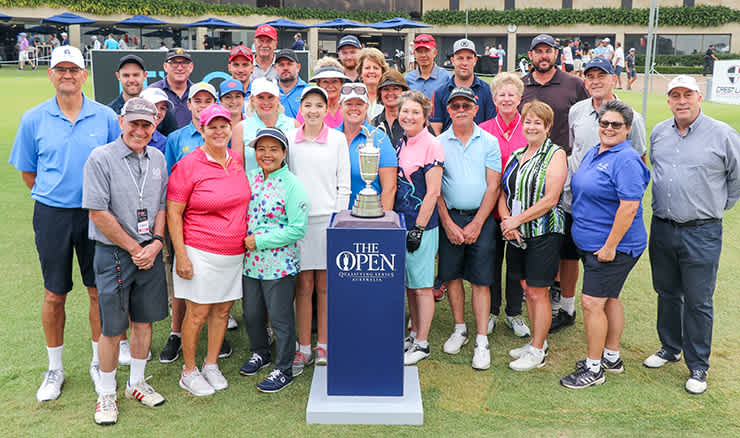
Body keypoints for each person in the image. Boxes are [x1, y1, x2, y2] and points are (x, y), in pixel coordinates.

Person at [9, 45, 120, 402]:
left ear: (84, 74)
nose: (68, 75)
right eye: (61, 69)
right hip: (52, 214)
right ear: (51, 74)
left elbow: (113, 169)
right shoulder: (33, 119)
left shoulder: (104, 117)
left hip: (96, 214)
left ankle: (95, 360)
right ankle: (54, 368)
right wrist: (55, 195)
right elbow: (30, 174)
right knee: (54, 294)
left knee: (96, 292)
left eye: (74, 69)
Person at [644, 75, 740, 395]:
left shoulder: (723, 134)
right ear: (669, 100)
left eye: (688, 94)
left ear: (699, 97)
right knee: (667, 291)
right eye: (675, 95)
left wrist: (713, 208)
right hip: (662, 226)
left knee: (698, 300)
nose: (681, 101)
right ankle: (670, 347)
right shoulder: (659, 133)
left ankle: (698, 365)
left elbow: (735, 179)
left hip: (702, 231)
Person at [82, 98, 168, 424]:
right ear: (121, 122)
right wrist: (135, 247)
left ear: (154, 126)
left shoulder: (157, 157)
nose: (140, 130)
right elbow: (98, 212)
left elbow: (161, 205)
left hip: (149, 252)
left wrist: (157, 243)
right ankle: (106, 393)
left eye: (147, 125)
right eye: (134, 123)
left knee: (144, 321)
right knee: (112, 328)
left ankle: (137, 382)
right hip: (116, 252)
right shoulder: (100, 158)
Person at [559, 100, 650, 389]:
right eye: (604, 123)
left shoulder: (627, 159)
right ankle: (611, 357)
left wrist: (611, 245)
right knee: (610, 298)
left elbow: (629, 206)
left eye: (616, 125)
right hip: (592, 242)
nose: (609, 128)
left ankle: (594, 368)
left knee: (591, 303)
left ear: (627, 129)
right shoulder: (596, 151)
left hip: (612, 247)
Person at [554, 57, 648, 334]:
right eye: (590, 76)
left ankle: (606, 343)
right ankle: (567, 308)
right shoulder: (577, 111)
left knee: (603, 274)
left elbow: (639, 159)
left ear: (613, 79)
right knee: (569, 256)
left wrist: (627, 202)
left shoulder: (632, 118)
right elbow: (576, 150)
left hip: (608, 208)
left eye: (601, 76)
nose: (595, 81)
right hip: (575, 199)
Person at [167, 104, 251, 396]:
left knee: (223, 310)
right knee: (198, 312)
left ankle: (211, 364)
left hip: (233, 253)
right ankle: (189, 371)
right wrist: (181, 254)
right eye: (211, 127)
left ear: (231, 128)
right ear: (201, 130)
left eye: (223, 126)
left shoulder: (237, 159)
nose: (218, 131)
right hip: (199, 250)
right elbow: (174, 212)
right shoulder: (188, 164)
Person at [287, 87, 351, 376]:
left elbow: (344, 184)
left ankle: (323, 344)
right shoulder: (289, 139)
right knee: (303, 287)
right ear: (301, 108)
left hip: (329, 222)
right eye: (308, 105)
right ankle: (303, 348)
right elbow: (286, 181)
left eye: (319, 105)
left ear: (327, 109)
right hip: (298, 224)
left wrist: (337, 219)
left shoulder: (337, 140)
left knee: (325, 287)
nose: (313, 110)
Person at [238, 127, 308, 392]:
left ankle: (284, 368)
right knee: (252, 313)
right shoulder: (251, 177)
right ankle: (261, 352)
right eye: (261, 149)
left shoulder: (292, 185)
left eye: (273, 149)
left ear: (284, 153)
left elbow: (297, 228)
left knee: (280, 318)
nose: (266, 154)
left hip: (279, 265)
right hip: (251, 263)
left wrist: (261, 241)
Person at [499, 100, 567, 372]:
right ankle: (534, 342)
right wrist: (508, 221)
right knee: (527, 289)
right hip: (517, 234)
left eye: (538, 122)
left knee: (538, 292)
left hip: (544, 233)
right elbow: (504, 192)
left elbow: (551, 199)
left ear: (548, 127)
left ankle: (538, 349)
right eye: (527, 121)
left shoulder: (555, 154)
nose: (531, 126)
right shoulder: (517, 154)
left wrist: (517, 219)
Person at [436, 86, 501, 370]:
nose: (460, 110)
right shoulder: (438, 142)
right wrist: (448, 223)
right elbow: (435, 189)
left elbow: (493, 186)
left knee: (481, 280)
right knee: (451, 277)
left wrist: (477, 223)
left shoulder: (489, 141)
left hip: (481, 219)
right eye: (455, 106)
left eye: (466, 105)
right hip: (450, 218)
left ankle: (481, 339)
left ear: (476, 108)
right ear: (448, 110)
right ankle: (460, 328)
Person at [394, 90, 444, 366]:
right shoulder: (402, 142)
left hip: (421, 226)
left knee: (423, 286)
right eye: (405, 111)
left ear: (425, 116)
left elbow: (433, 191)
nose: (409, 116)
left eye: (415, 112)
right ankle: (413, 333)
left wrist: (419, 228)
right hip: (402, 223)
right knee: (410, 285)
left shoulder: (431, 144)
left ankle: (423, 343)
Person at [479, 73, 530, 338]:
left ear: (520, 98)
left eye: (512, 94)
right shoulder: (485, 129)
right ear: (494, 98)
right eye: (502, 94)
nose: (507, 99)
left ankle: (513, 312)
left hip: (521, 211)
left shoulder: (530, 128)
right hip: (490, 209)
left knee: (516, 263)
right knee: (491, 261)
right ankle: (491, 311)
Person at [337, 82, 398, 211]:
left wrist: (381, 223)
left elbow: (389, 188)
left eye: (359, 104)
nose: (354, 108)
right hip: (334, 217)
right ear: (340, 107)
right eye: (348, 104)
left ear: (366, 107)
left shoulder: (380, 138)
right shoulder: (331, 137)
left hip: (369, 216)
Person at [430, 38, 495, 135]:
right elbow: (436, 130)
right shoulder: (440, 92)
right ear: (453, 60)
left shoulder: (487, 90)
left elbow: (491, 126)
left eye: (469, 58)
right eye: (460, 58)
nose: (464, 63)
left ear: (475, 60)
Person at [233, 78, 296, 172]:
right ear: (252, 100)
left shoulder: (294, 125)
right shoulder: (240, 128)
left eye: (270, 97)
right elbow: (237, 170)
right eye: (260, 97)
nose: (266, 102)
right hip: (252, 186)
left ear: (278, 98)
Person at [296, 58, 349, 128]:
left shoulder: (349, 107)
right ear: (318, 84)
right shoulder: (308, 109)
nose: (330, 86)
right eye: (325, 81)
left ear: (342, 83)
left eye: (335, 81)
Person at [150, 48, 195, 130]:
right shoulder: (152, 92)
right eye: (174, 63)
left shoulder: (197, 93)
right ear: (165, 66)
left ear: (191, 67)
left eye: (184, 63)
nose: (180, 68)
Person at [404, 34, 451, 100]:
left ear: (435, 53)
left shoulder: (446, 77)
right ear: (414, 54)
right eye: (419, 51)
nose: (423, 55)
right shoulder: (408, 79)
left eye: (427, 51)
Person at [371, 69, 409, 147]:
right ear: (380, 93)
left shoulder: (414, 121)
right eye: (386, 89)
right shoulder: (373, 124)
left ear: (403, 92)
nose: (390, 93)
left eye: (395, 89)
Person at [357, 47, 390, 120]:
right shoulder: (354, 95)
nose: (371, 71)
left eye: (376, 68)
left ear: (383, 72)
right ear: (360, 73)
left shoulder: (390, 96)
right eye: (367, 68)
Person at [276, 49, 309, 119]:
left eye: (289, 64)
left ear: (298, 67)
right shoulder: (268, 91)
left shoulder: (308, 91)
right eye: (281, 65)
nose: (285, 68)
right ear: (275, 68)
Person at [140, 87, 173, 154]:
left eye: (163, 108)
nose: (158, 112)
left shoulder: (165, 143)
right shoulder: (124, 135)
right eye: (154, 106)